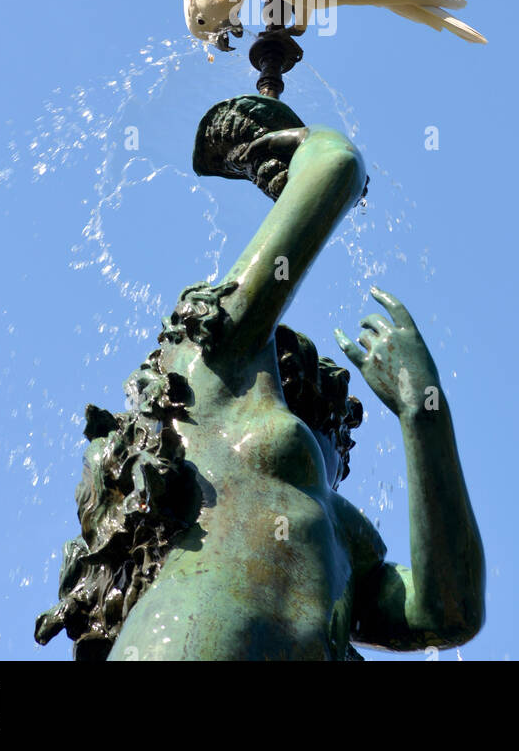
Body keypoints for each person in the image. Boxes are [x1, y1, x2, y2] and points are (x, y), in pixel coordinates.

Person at [36, 104, 485, 661]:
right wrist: (285, 148)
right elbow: (337, 168)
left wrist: (423, 414)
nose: (331, 459)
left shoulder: (343, 536)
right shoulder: (209, 385)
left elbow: (449, 613)